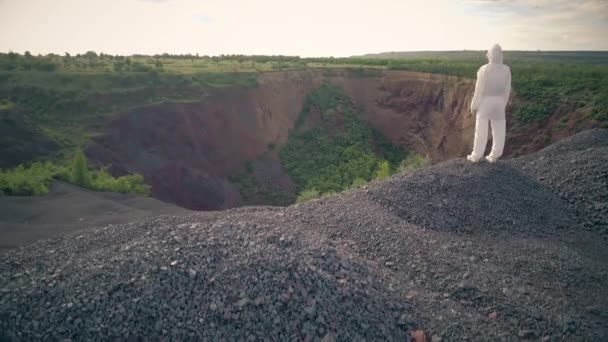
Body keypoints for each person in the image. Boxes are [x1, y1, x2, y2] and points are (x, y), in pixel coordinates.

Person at [467, 44, 512, 163]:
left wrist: (474, 106)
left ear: (490, 55)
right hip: (499, 101)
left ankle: (476, 156)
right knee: (499, 129)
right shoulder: (506, 69)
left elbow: (479, 90)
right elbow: (507, 90)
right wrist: (503, 104)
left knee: (481, 129)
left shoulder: (484, 69)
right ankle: (494, 155)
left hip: (486, 101)